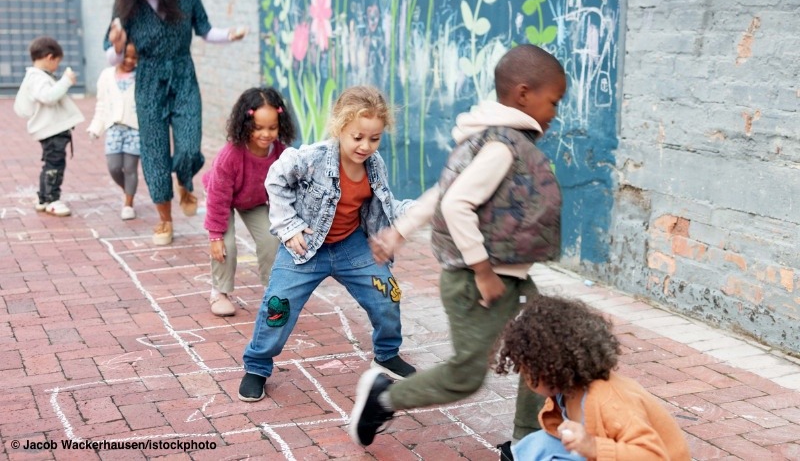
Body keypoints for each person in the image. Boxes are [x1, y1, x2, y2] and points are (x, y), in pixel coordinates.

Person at [348, 44, 566, 447]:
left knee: (545, 345)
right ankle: (383, 397)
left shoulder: (493, 140)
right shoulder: (501, 146)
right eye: (553, 100)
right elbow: (455, 202)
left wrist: (398, 231)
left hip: (508, 277)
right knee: (466, 376)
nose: (555, 110)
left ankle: (526, 445)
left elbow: (441, 192)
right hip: (478, 282)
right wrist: (482, 270)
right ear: (523, 93)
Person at [238, 85, 417, 402]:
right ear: (340, 128)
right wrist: (290, 226)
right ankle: (257, 365)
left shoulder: (375, 166)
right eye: (357, 137)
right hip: (305, 247)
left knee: (387, 294)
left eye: (374, 138)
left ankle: (387, 354)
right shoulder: (312, 158)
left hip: (351, 245)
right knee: (278, 305)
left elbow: (387, 205)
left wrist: (418, 211)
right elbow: (275, 180)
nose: (365, 146)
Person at [105, 0, 247, 245]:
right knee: (154, 151)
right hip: (148, 80)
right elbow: (113, 57)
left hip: (183, 76)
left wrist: (229, 34)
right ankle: (165, 221)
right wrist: (118, 44)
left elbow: (205, 30)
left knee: (189, 145)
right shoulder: (125, 2)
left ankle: (184, 179)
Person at [492, 295, 691, 460]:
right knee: (537, 445)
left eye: (525, 368)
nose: (523, 375)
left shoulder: (608, 400)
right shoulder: (567, 390)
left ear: (548, 369)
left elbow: (654, 456)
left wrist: (594, 447)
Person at [202, 87, 296, 317]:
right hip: (223, 198)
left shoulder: (280, 152)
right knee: (226, 245)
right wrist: (215, 236)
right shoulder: (231, 155)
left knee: (271, 239)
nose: (266, 134)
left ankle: (272, 290)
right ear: (246, 124)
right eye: (258, 128)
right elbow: (217, 199)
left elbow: (287, 188)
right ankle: (219, 292)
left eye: (272, 127)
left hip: (254, 200)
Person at [13, 36, 85, 217]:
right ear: (49, 57)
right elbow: (49, 97)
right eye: (57, 62)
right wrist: (66, 80)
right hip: (51, 130)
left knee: (50, 163)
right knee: (55, 164)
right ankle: (52, 199)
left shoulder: (38, 76)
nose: (57, 67)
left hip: (52, 129)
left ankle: (43, 198)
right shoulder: (37, 78)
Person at [87, 41, 141, 220]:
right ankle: (128, 189)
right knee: (114, 167)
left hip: (136, 128)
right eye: (126, 55)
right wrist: (96, 127)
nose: (130, 60)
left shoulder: (141, 75)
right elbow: (101, 104)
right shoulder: (106, 76)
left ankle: (128, 203)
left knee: (130, 167)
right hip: (114, 128)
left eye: (135, 57)